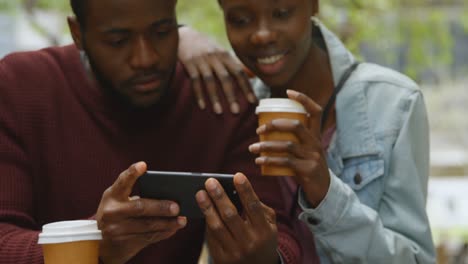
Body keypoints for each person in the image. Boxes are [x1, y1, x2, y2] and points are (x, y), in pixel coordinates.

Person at [0, 0, 303, 263]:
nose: (145, 58)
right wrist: (94, 246)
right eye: (118, 40)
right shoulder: (19, 86)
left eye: (162, 32)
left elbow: (280, 233)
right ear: (78, 33)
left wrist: (265, 255)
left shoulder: (219, 101)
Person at [216, 0, 437, 263]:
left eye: (282, 13)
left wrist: (325, 192)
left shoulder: (394, 103)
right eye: (240, 20)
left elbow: (416, 259)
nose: (262, 34)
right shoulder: (234, 113)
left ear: (313, 5)